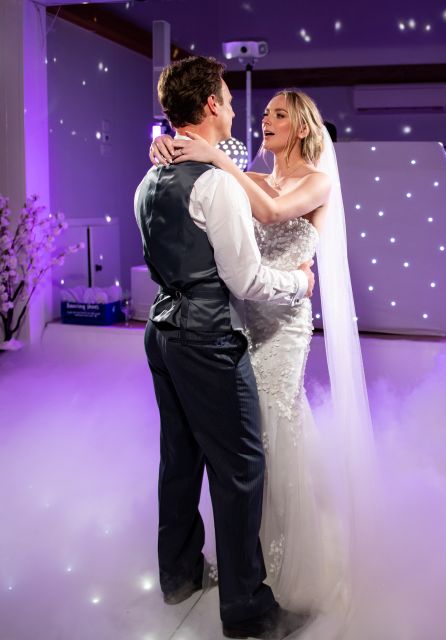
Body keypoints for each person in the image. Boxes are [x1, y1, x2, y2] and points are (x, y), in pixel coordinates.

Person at [150, 88, 375, 620]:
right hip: (239, 322)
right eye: (265, 112)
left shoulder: (317, 183)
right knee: (242, 446)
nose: (265, 120)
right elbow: (220, 205)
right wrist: (170, 148)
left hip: (285, 327)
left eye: (278, 114)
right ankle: (246, 561)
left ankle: (283, 563)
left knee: (274, 432)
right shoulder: (245, 179)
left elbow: (273, 216)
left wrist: (212, 155)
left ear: (300, 127)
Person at [136, 57, 314, 640]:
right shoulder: (214, 182)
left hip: (161, 332)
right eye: (232, 99)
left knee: (179, 459)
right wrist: (300, 284)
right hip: (208, 336)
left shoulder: (149, 179)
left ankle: (180, 577)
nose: (238, 109)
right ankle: (249, 612)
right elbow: (248, 281)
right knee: (240, 469)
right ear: (211, 105)